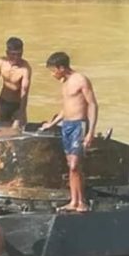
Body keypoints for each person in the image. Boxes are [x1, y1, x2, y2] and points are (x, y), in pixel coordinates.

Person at [39, 52, 98, 212]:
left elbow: (92, 104)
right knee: (70, 165)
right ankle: (75, 201)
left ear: (62, 68)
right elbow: (66, 109)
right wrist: (52, 123)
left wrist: (90, 132)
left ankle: (82, 202)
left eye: (53, 71)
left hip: (79, 125)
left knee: (74, 165)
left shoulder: (80, 80)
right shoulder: (65, 83)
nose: (52, 75)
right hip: (67, 126)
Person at [0, 37, 31, 127]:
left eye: (19, 54)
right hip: (3, 103)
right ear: (7, 53)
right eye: (13, 54)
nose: (16, 57)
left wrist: (22, 112)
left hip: (17, 105)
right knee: (2, 130)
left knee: (17, 131)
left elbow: (24, 92)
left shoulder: (25, 69)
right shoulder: (0, 62)